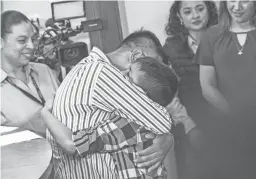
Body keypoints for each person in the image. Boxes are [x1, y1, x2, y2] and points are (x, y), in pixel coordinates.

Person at [42, 30, 177, 179]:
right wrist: (167, 138)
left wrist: (167, 138)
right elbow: (162, 121)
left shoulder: (89, 68)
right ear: (137, 55)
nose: (154, 70)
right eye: (152, 64)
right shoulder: (103, 73)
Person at [197, 1, 256, 178]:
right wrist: (234, 115)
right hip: (225, 125)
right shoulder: (212, 35)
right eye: (231, 0)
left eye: (244, 1)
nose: (236, 7)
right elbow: (207, 85)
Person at [163, 1, 218, 178]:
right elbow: (168, 94)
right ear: (179, 16)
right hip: (188, 122)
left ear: (209, 11)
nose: (195, 16)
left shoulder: (224, 39)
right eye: (187, 12)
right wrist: (189, 125)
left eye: (200, 9)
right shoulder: (170, 48)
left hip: (225, 118)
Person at [0, 10, 59, 137]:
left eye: (34, 39)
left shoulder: (45, 71)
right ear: (1, 42)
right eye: (22, 40)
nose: (31, 46)